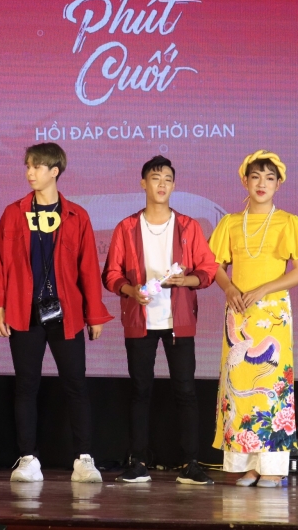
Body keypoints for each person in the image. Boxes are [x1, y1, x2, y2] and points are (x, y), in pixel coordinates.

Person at [0, 142, 113, 483]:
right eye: (28, 166)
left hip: (66, 312)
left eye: (37, 167)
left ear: (54, 171)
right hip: (23, 311)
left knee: (76, 384)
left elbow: (88, 268)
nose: (30, 172)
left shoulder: (76, 215)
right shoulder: (13, 213)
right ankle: (28, 459)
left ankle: (83, 459)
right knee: (26, 386)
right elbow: (1, 264)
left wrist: (94, 315)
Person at [102, 156, 219, 485]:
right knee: (140, 391)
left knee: (186, 391)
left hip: (178, 320)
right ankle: (138, 461)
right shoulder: (126, 227)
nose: (162, 184)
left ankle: (191, 463)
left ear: (174, 184)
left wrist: (186, 280)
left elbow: (208, 269)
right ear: (143, 183)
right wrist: (131, 290)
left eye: (167, 178)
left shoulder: (188, 226)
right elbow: (111, 274)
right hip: (139, 319)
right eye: (155, 178)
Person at [208, 150, 298, 488]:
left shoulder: (288, 222)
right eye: (255, 176)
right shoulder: (229, 223)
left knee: (271, 385)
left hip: (272, 315)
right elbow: (213, 266)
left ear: (278, 184)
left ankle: (273, 467)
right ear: (245, 180)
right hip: (239, 312)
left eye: (270, 178)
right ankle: (249, 466)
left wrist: (263, 289)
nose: (262, 183)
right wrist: (229, 288)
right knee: (239, 387)